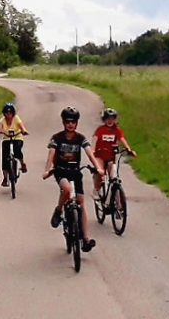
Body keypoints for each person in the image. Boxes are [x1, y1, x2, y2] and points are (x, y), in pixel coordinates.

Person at [42, 106, 104, 252]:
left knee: (81, 203)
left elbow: (89, 152)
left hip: (76, 172)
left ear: (77, 123)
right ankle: (58, 210)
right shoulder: (57, 138)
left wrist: (98, 168)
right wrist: (47, 170)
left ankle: (86, 239)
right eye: (68, 121)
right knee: (67, 190)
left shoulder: (80, 138)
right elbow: (51, 154)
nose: (71, 124)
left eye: (73, 121)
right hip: (61, 171)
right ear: (63, 122)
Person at [91, 108, 137, 199]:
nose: (110, 121)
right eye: (107, 119)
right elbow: (95, 139)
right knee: (100, 173)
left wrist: (128, 149)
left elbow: (122, 139)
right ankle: (96, 190)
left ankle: (115, 198)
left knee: (113, 177)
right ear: (104, 120)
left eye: (112, 119)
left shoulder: (116, 130)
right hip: (100, 155)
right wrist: (92, 150)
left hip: (111, 157)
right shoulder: (100, 130)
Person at [0, 102, 29, 186]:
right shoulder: (2, 120)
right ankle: (5, 177)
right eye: (6, 113)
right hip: (7, 139)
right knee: (4, 158)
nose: (8, 115)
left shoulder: (16, 118)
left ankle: (22, 164)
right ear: (4, 113)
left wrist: (24, 130)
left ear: (13, 113)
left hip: (17, 137)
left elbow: (21, 126)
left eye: (10, 113)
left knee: (17, 150)